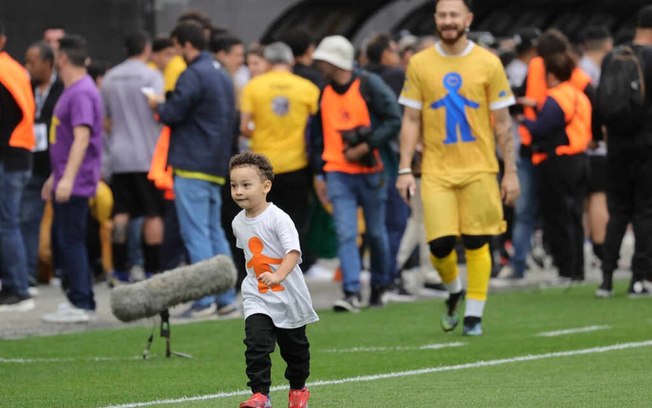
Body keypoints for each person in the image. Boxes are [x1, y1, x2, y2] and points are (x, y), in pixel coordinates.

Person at [396, 0, 519, 336]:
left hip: (480, 168)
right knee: (439, 245)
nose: (448, 21)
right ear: (436, 19)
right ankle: (453, 290)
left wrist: (510, 171)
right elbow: (410, 119)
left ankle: (474, 315)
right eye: (442, 15)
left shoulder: (488, 63)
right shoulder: (420, 63)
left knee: (479, 241)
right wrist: (404, 168)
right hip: (436, 169)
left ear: (468, 19)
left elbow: (504, 124)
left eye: (454, 15)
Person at [148, 22, 238, 315]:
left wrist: (157, 105)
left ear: (187, 45)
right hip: (215, 163)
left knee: (196, 233)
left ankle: (204, 299)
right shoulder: (222, 74)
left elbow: (173, 113)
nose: (176, 54)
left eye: (176, 47)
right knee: (215, 232)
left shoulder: (194, 74)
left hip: (192, 163)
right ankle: (225, 298)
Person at [311, 35, 401, 312]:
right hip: (337, 170)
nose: (320, 65)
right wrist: (320, 172)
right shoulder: (324, 91)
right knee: (346, 233)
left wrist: (366, 145)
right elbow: (316, 135)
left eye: (324, 60)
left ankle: (380, 284)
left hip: (371, 170)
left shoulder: (369, 84)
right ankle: (351, 291)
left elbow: (394, 118)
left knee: (375, 233)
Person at [230, 152, 317, 408]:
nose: (238, 191)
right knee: (256, 344)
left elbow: (293, 252)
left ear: (266, 186)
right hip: (257, 295)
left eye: (246, 185)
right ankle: (260, 395)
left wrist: (278, 275)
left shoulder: (279, 218)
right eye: (234, 185)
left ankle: (298, 389)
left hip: (289, 295)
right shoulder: (238, 222)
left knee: (295, 350)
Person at [240, 42, 320, 273]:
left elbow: (244, 127)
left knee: (264, 220)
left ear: (266, 61)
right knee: (296, 219)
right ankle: (296, 267)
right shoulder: (307, 88)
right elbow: (315, 128)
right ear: (291, 60)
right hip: (297, 164)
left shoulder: (253, 87)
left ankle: (268, 266)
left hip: (263, 166)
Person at [40, 35, 103, 323]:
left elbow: (82, 137)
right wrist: (56, 176)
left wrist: (67, 179)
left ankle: (81, 302)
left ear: (63, 57)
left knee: (71, 240)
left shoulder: (80, 91)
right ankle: (76, 297)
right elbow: (66, 141)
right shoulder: (73, 89)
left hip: (76, 181)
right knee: (65, 240)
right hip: (68, 177)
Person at [520, 52, 591, 284]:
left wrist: (524, 120)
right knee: (574, 216)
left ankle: (565, 269)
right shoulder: (578, 95)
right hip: (580, 158)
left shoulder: (555, 97)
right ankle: (578, 269)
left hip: (558, 161)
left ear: (550, 75)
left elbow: (543, 128)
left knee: (558, 216)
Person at [596, 5, 652, 297]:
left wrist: (596, 136)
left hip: (616, 146)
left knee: (617, 211)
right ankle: (640, 278)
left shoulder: (612, 56)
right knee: (645, 212)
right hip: (646, 145)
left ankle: (606, 278)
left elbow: (598, 99)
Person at [102, 31, 165, 280]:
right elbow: (159, 110)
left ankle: (119, 268)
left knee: (121, 212)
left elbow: (105, 119)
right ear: (147, 49)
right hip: (147, 155)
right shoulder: (151, 76)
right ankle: (153, 268)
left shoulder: (110, 77)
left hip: (119, 155)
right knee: (153, 213)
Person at [363, 33, 412, 298]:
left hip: (359, 159)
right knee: (396, 221)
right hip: (390, 159)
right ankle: (387, 276)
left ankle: (377, 275)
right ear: (385, 54)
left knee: (373, 224)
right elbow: (401, 119)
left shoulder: (357, 79)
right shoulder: (394, 76)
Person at [20, 41, 64, 289]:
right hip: (33, 164)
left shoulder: (63, 87)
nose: (28, 67)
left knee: (64, 221)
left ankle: (62, 270)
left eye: (32, 62)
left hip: (58, 164)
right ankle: (28, 273)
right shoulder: (25, 86)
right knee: (27, 218)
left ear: (48, 63)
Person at [0, 21, 36, 312]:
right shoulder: (14, 68)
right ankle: (19, 283)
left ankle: (17, 288)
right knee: (13, 224)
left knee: (7, 224)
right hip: (21, 153)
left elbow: (3, 120)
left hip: (8, 157)